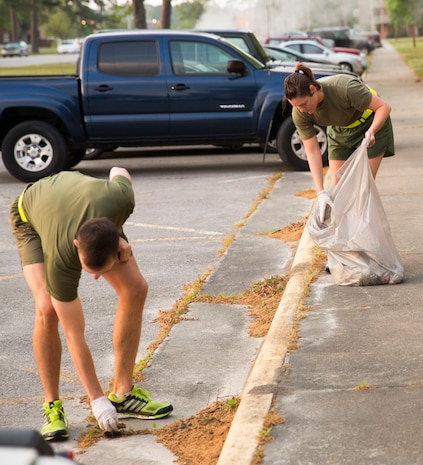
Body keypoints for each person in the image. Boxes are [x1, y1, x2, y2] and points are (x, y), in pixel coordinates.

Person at [9, 167, 173, 441]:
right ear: (76, 246)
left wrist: (118, 233)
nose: (95, 277)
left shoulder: (119, 200)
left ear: (118, 244)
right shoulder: (62, 257)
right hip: (32, 215)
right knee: (47, 309)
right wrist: (96, 399)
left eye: (101, 269)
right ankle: (53, 408)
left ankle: (123, 394)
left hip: (85, 208)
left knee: (135, 288)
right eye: (89, 269)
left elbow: (118, 170)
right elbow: (75, 336)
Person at [284, 62, 394, 222]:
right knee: (337, 188)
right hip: (340, 130)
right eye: (296, 106)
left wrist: (371, 131)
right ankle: (343, 233)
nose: (302, 109)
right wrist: (320, 192)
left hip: (370, 123)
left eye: (303, 104)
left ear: (313, 90)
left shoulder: (344, 88)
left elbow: (384, 107)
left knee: (363, 187)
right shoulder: (300, 113)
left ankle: (361, 232)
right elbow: (313, 151)